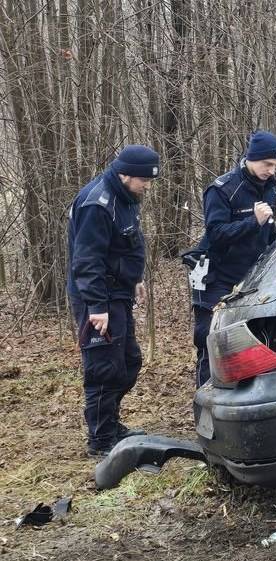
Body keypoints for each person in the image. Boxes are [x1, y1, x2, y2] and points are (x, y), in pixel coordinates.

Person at [66, 144, 159, 458]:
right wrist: (97, 308)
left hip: (118, 293)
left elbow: (125, 244)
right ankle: (101, 440)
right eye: (144, 180)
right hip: (98, 299)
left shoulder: (126, 197)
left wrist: (136, 279)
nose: (147, 186)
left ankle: (109, 423)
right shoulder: (97, 204)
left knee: (128, 362)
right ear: (126, 174)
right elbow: (86, 260)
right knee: (103, 369)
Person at [191, 130, 276, 386]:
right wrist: (252, 221)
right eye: (267, 164)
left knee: (248, 339)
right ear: (251, 158)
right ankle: (207, 402)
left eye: (275, 166)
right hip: (214, 275)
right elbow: (216, 234)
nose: (271, 171)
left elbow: (268, 233)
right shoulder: (223, 189)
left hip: (250, 277)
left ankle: (240, 401)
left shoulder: (271, 190)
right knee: (210, 339)